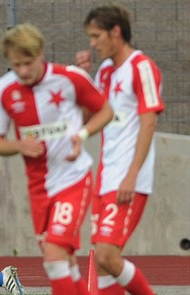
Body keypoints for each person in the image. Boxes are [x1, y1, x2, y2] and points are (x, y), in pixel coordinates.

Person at [0, 23, 114, 295]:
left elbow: (105, 110)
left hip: (73, 178)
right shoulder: (2, 90)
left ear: (41, 53)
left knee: (54, 256)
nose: (22, 71)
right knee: (64, 264)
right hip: (38, 188)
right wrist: (19, 145)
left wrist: (82, 134)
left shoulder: (69, 78)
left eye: (28, 63)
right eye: (16, 64)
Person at [76, 4, 164, 295]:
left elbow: (148, 124)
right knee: (101, 265)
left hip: (128, 179)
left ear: (116, 32)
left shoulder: (142, 67)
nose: (92, 43)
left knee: (106, 256)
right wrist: (83, 80)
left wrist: (132, 175)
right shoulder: (104, 73)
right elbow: (90, 119)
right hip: (105, 179)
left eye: (96, 35)